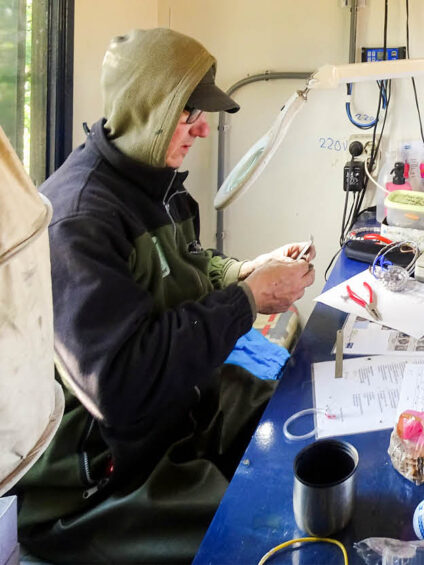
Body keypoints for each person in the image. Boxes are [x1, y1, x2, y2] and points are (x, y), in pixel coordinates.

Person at [17, 28, 314, 562]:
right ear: (149, 106)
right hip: (110, 471)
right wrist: (246, 300)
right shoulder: (79, 221)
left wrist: (247, 269)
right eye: (190, 113)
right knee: (265, 533)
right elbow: (122, 383)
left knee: (306, 418)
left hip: (184, 404)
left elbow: (193, 263)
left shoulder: (156, 181)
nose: (203, 129)